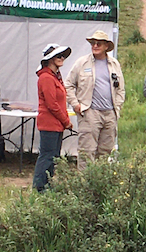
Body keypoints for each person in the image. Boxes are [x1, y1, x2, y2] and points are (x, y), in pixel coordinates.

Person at [65, 30, 125, 171]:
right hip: (89, 112)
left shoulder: (114, 64)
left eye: (99, 43)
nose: (95, 45)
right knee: (86, 151)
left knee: (105, 151)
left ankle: (100, 184)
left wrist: (118, 106)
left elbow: (121, 89)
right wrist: (75, 104)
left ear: (106, 47)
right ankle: (85, 185)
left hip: (110, 113)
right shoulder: (82, 63)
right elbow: (68, 84)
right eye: (93, 43)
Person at [33, 43, 72, 191]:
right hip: (50, 123)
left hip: (56, 124)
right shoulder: (46, 78)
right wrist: (66, 121)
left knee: (53, 157)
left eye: (63, 56)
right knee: (47, 156)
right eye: (58, 56)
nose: (62, 58)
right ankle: (39, 187)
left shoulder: (53, 77)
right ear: (50, 59)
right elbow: (52, 104)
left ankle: (46, 186)